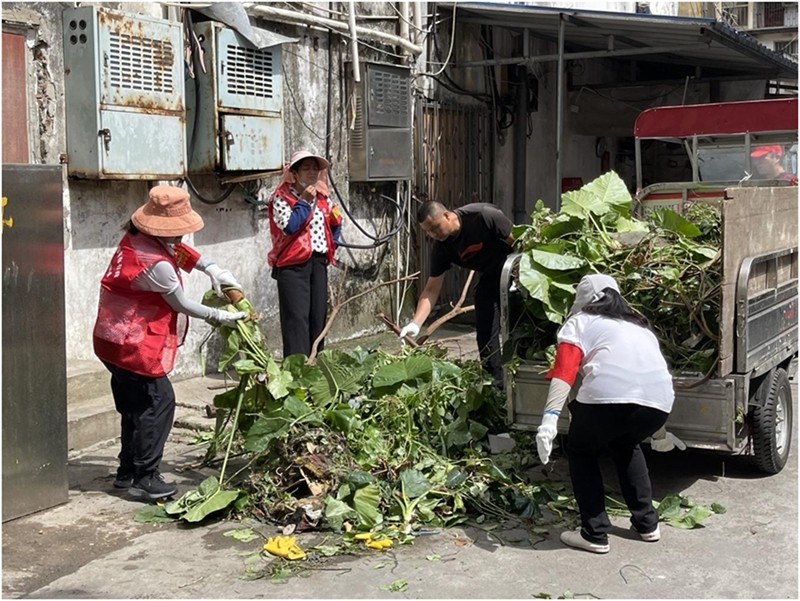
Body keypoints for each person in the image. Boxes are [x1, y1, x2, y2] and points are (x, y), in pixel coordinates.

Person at [93, 185, 247, 501]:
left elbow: (179, 251)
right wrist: (221, 316)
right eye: (175, 231)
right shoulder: (155, 263)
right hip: (132, 342)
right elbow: (182, 304)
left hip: (110, 337)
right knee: (159, 402)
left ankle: (126, 472)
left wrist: (212, 268)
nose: (179, 237)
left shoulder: (137, 239)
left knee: (134, 406)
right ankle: (146, 477)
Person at [535, 274, 675, 554]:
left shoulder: (580, 322)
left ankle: (594, 533)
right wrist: (660, 432)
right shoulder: (640, 326)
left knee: (582, 451)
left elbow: (565, 372)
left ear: (583, 301)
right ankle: (647, 524)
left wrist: (549, 420)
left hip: (605, 401)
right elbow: (651, 377)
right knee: (626, 445)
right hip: (659, 406)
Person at [399, 201, 514, 387]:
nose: (433, 234)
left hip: (515, 269)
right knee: (485, 327)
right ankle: (495, 382)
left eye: (435, 227)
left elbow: (522, 243)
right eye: (428, 231)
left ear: (447, 215)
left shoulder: (483, 216)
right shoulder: (442, 248)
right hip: (491, 276)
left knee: (518, 326)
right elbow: (431, 289)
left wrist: (521, 275)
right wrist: (416, 323)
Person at [267, 150, 342, 358]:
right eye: (306, 168)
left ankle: (315, 365)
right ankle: (297, 370)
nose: (311, 172)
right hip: (292, 265)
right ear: (295, 173)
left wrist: (332, 245)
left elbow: (336, 221)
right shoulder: (281, 198)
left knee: (318, 316)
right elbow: (290, 226)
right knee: (296, 319)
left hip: (318, 262)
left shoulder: (324, 198)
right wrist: (304, 201)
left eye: (315, 168)